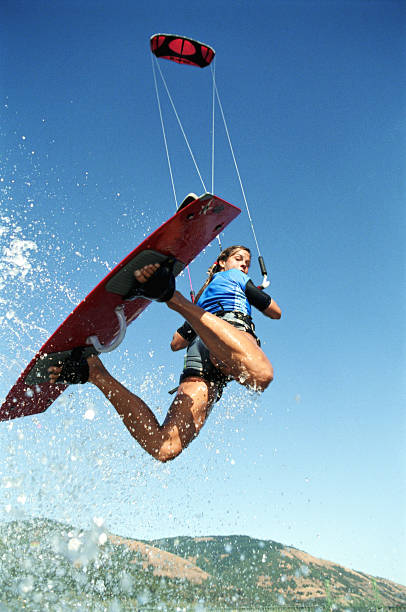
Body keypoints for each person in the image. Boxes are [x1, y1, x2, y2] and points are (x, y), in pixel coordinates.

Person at [48, 245, 281, 462]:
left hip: (201, 346)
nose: (244, 265)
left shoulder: (202, 300)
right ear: (221, 262)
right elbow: (275, 312)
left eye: (247, 263)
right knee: (260, 375)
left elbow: (176, 343)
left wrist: (194, 314)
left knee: (164, 447)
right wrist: (256, 289)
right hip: (228, 332)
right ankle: (171, 297)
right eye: (239, 259)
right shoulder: (236, 277)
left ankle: (94, 373)